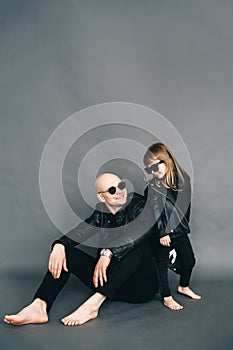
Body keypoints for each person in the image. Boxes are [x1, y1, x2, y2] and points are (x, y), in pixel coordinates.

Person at [4, 173, 158, 326]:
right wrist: (60, 245)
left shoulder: (139, 205)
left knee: (140, 247)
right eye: (112, 190)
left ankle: (93, 305)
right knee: (67, 254)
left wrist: (108, 252)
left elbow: (142, 229)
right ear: (101, 197)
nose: (119, 191)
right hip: (107, 281)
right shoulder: (101, 212)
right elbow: (81, 231)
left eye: (121, 185)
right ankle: (40, 306)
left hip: (140, 287)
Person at [143, 143, 201, 311]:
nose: (153, 170)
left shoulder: (183, 180)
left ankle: (183, 286)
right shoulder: (153, 187)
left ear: (166, 160)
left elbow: (184, 208)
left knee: (189, 260)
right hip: (162, 232)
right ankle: (167, 297)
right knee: (161, 263)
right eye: (149, 168)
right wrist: (163, 232)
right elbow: (155, 213)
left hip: (178, 229)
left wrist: (179, 229)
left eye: (156, 165)